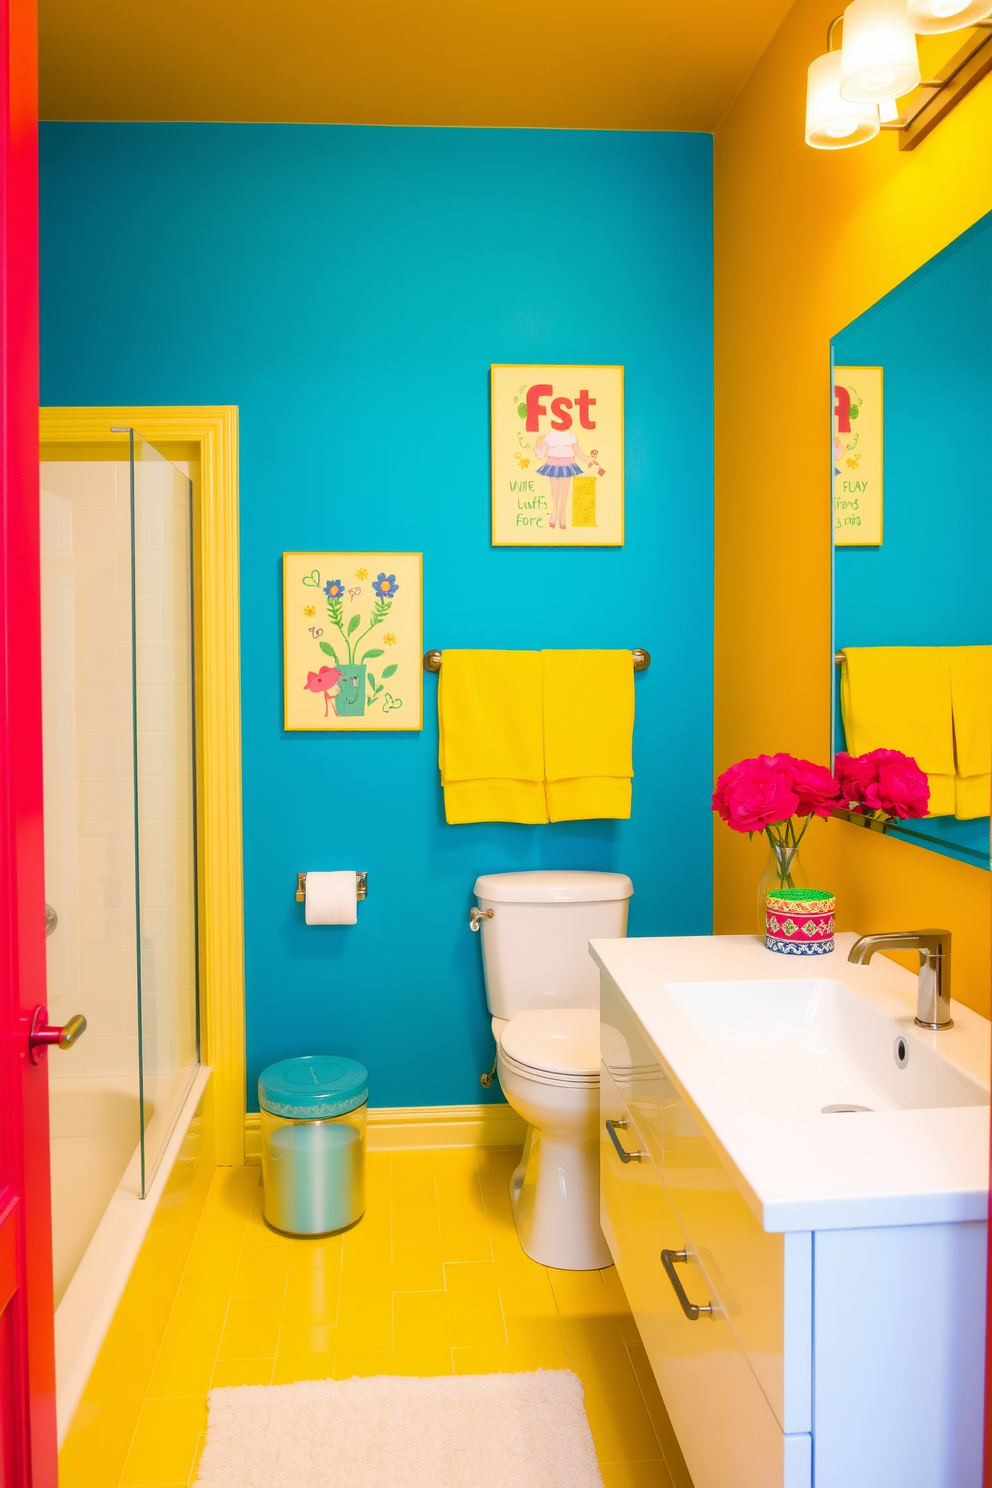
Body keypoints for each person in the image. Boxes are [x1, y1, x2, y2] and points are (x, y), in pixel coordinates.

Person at [534, 427, 597, 530]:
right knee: (555, 492)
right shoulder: (548, 436)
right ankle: (555, 511)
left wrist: (590, 459)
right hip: (552, 464)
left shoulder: (571, 436)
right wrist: (539, 443)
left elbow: (578, 452)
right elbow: (541, 454)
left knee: (564, 491)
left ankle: (562, 512)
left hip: (567, 464)